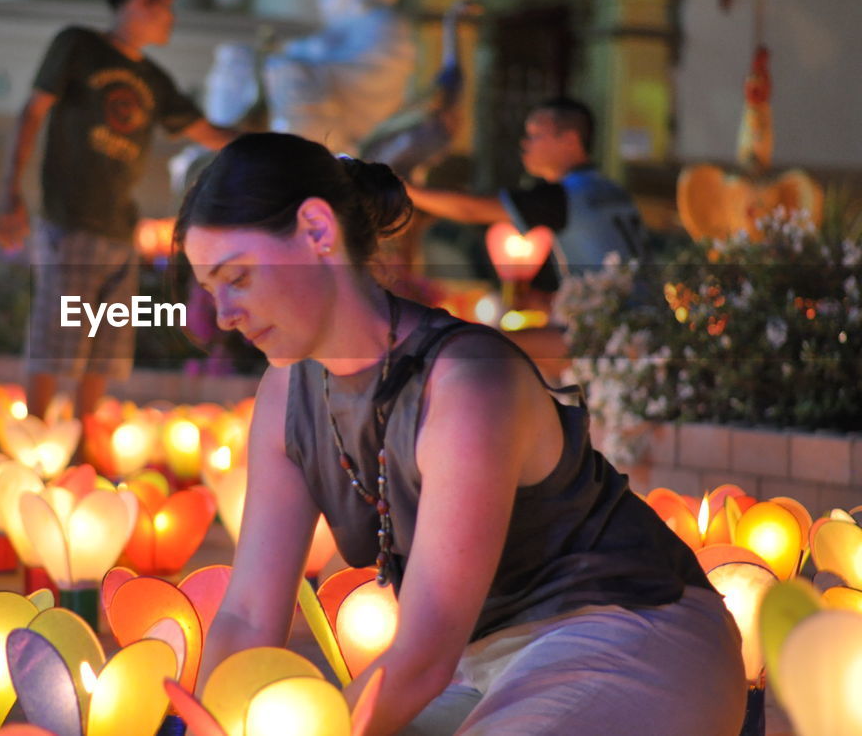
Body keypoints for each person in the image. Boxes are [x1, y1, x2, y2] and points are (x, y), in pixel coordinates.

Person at [177, 132, 745, 735]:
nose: (224, 315)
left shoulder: (467, 381)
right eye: (210, 290)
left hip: (629, 634)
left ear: (318, 232)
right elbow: (246, 614)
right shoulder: (286, 392)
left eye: (237, 276)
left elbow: (423, 653)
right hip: (481, 671)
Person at [0, 0, 234, 422]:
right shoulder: (78, 46)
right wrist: (11, 194)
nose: (172, 17)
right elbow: (32, 113)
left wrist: (272, 143)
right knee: (55, 340)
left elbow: (206, 132)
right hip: (71, 220)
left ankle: (86, 442)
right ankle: (37, 436)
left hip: (119, 229)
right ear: (142, 1)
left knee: (105, 350)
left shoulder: (155, 81)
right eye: (166, 5)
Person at [404, 96, 648, 276]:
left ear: (571, 140)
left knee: (493, 342)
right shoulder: (611, 189)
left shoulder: (564, 195)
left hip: (609, 328)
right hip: (642, 318)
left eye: (535, 134)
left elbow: (471, 210)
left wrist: (405, 190)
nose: (524, 143)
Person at [262, 0, 416, 156]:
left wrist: (314, 60)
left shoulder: (383, 22)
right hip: (326, 102)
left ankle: (304, 152)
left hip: (351, 123)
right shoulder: (342, 26)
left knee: (291, 73)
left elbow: (377, 73)